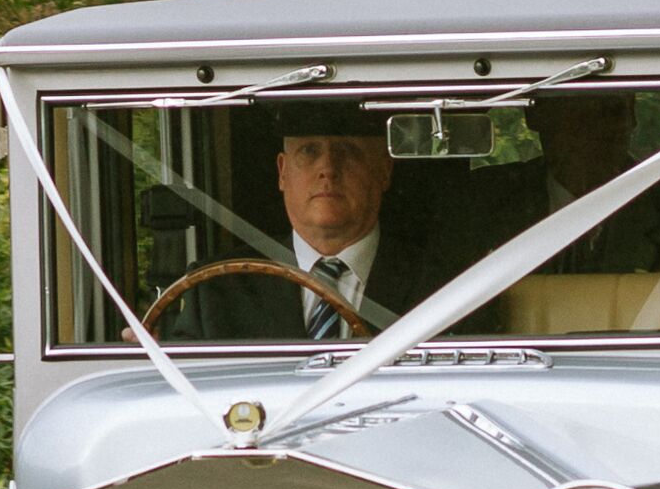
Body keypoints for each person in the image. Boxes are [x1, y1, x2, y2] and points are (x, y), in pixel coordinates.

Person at [159, 125, 457, 340]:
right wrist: (152, 363)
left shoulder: (448, 287)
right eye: (309, 151)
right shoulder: (217, 287)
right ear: (282, 172)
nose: (327, 168)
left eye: (348, 151)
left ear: (383, 171)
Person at [525, 91, 660, 276]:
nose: (595, 130)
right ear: (535, 115)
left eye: (610, 112)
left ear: (631, 115)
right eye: (573, 112)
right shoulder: (496, 200)